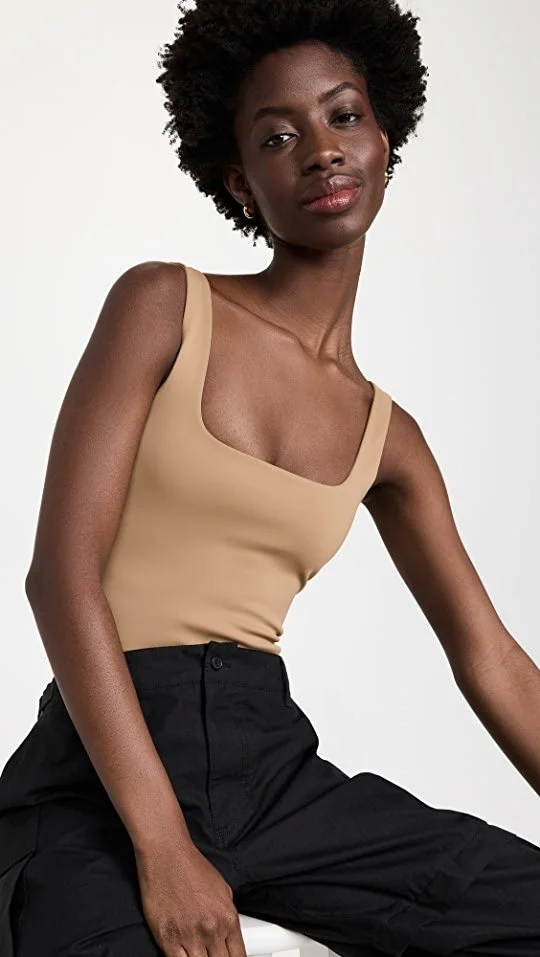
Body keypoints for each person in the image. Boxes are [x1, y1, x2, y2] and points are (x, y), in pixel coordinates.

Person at [1, 0, 539, 955]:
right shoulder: (162, 305)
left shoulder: (391, 439)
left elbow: (490, 659)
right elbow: (60, 577)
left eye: (344, 116)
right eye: (279, 136)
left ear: (384, 142)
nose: (322, 150)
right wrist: (164, 845)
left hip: (271, 773)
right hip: (100, 767)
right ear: (241, 183)